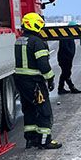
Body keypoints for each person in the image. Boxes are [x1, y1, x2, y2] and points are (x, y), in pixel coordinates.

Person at [14, 12, 61, 150]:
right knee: (44, 110)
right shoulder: (38, 42)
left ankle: (31, 139)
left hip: (21, 82)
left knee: (29, 109)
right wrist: (50, 79)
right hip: (35, 82)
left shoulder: (19, 40)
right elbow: (43, 65)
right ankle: (45, 140)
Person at [57, 22, 81, 94]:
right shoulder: (65, 35)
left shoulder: (69, 35)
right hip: (64, 58)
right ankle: (71, 87)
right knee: (66, 73)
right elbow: (66, 48)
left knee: (65, 73)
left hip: (67, 58)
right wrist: (70, 55)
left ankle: (61, 88)